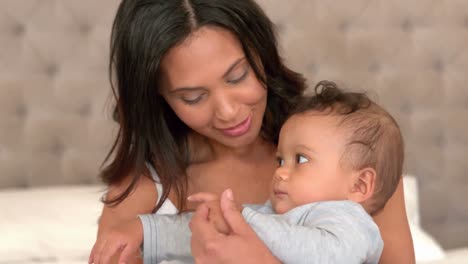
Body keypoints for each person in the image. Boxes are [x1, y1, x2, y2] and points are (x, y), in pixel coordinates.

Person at [92, 0, 415, 263]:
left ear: (261, 54)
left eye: (237, 77)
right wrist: (145, 231)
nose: (228, 111)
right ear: (157, 95)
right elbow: (178, 231)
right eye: (193, 97)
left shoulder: (349, 144)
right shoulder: (147, 183)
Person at [89, 81, 404, 264]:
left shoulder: (349, 221)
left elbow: (326, 254)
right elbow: (204, 232)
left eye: (301, 160)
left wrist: (246, 220)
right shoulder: (275, 216)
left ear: (360, 184)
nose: (280, 172)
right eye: (280, 160)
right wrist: (146, 230)